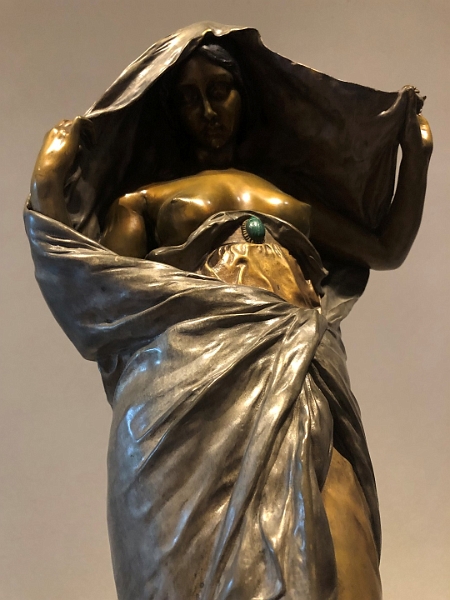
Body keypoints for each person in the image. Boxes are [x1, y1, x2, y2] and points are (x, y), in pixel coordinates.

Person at [25, 22, 432, 600]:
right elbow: (99, 293)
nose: (208, 111)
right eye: (190, 99)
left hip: (301, 363)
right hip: (192, 375)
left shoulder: (287, 198)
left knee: (342, 540)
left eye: (220, 91)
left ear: (246, 95)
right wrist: (49, 181)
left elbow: (386, 248)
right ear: (172, 113)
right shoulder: (145, 200)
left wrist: (416, 158)